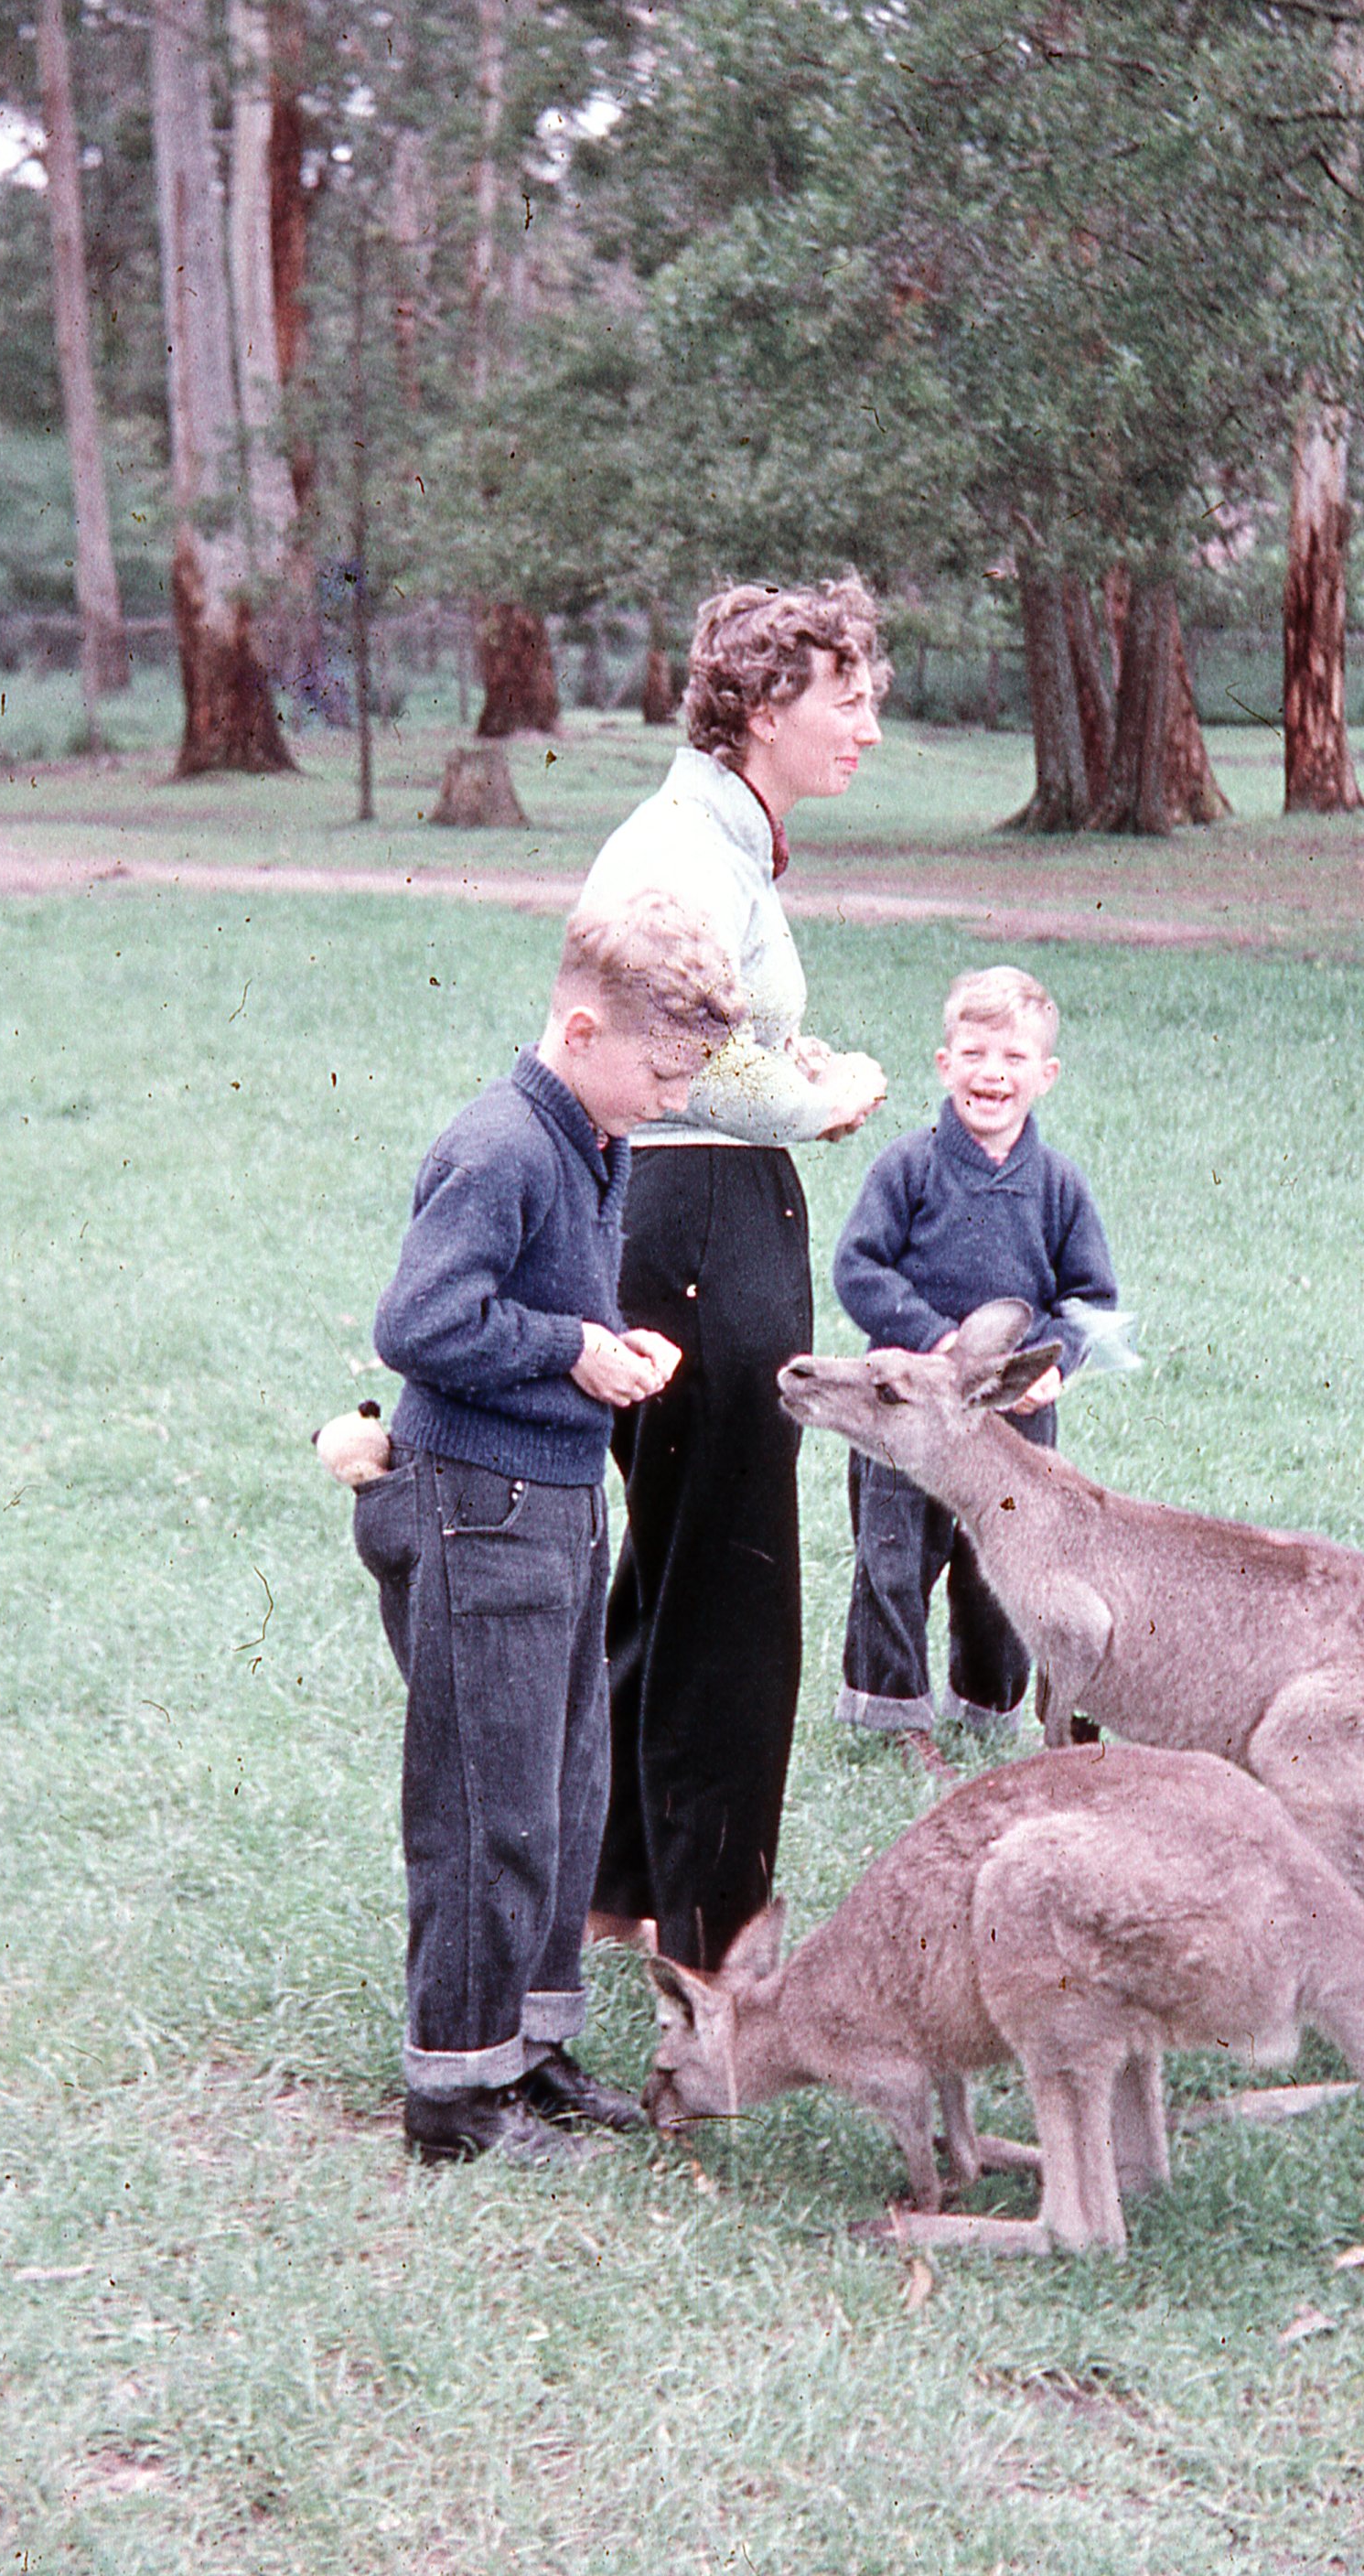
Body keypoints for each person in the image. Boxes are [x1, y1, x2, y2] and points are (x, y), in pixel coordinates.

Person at [353, 892, 745, 2163]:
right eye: (661, 1070)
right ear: (581, 1029)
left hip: (557, 1504)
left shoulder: (592, 1135)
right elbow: (418, 1325)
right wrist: (574, 1349)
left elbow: (538, 1308)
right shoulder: (506, 1146)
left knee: (569, 1787)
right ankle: (458, 2097)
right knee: (487, 1802)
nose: (672, 1097)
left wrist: (603, 1348)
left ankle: (528, 2049)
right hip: (479, 1510)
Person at [577, 577, 888, 1974]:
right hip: (699, 1228)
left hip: (693, 1217)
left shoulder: (715, 839)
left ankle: (608, 1897)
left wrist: (796, 1076)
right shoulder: (689, 852)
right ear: (764, 709)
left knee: (680, 1576)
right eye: (848, 697)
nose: (868, 726)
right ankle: (712, 1950)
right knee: (732, 1605)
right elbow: (687, 1052)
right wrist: (829, 1095)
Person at [831, 963, 1118, 1735]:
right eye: (975, 1054)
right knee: (892, 1561)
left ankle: (988, 1709)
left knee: (1010, 1568)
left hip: (1012, 1426)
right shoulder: (909, 1168)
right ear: (945, 1063)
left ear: (1046, 1075)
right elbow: (857, 1266)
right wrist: (935, 1341)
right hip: (905, 1416)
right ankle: (887, 1715)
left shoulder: (1059, 1186)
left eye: (1015, 1058)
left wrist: (1052, 1364)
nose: (993, 1074)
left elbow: (1092, 1302)